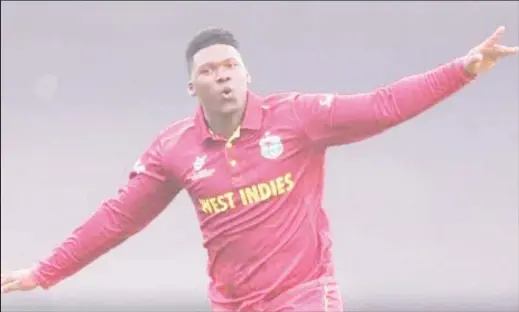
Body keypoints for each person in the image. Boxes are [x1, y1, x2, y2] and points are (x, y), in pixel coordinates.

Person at [1, 26, 517, 312]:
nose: (222, 76)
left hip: (305, 295)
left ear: (248, 75)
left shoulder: (298, 118)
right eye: (209, 70)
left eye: (231, 67)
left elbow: (382, 105)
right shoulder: (174, 151)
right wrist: (45, 273)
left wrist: (463, 68)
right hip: (233, 303)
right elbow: (117, 219)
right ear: (192, 88)